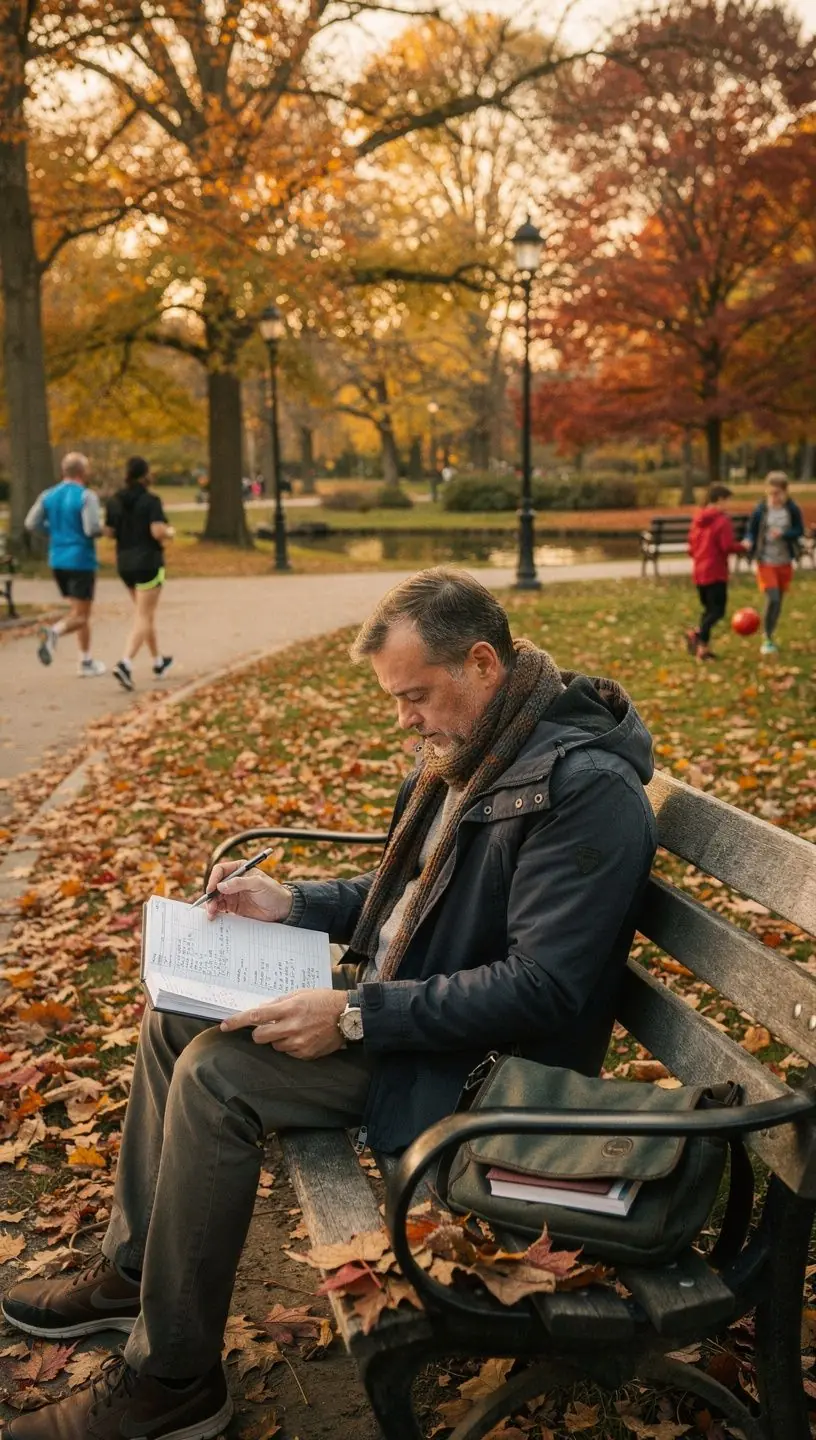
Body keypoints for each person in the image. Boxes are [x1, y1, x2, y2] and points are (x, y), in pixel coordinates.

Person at [1, 568, 658, 1440]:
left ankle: (173, 1379)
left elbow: (544, 989)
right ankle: (132, 1273)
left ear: (485, 662)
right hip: (410, 1008)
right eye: (395, 698)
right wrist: (295, 904)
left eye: (416, 695)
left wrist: (352, 1016)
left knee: (217, 1075)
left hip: (480, 1069)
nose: (404, 719)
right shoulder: (482, 749)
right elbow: (416, 892)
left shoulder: (580, 789)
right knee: (174, 1021)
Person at [24, 452, 106, 677]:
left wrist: (54, 532)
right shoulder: (86, 496)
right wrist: (105, 531)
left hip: (57, 559)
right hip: (80, 559)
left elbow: (31, 523)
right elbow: (91, 529)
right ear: (83, 472)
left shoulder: (48, 495)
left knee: (78, 612)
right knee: (80, 615)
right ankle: (53, 633)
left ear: (64, 472)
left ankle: (86, 661)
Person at [104, 456, 175, 692]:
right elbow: (157, 531)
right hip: (148, 562)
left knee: (144, 614)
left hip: (125, 564)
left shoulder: (115, 501)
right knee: (144, 615)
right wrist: (170, 531)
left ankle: (158, 661)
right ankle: (125, 663)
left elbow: (109, 532)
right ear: (145, 475)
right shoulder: (151, 501)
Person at [685, 483, 746, 661]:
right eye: (728, 501)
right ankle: (698, 638)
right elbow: (726, 546)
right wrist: (744, 546)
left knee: (708, 610)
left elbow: (691, 548)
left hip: (699, 573)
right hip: (716, 572)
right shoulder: (722, 520)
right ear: (719, 500)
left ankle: (701, 645)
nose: (729, 505)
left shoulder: (698, 519)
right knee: (718, 611)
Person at [746, 472, 805, 655]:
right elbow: (751, 531)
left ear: (785, 492)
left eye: (778, 493)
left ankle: (770, 634)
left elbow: (799, 530)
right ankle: (767, 637)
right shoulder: (761, 510)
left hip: (784, 561)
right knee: (773, 598)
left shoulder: (792, 509)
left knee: (778, 603)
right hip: (766, 560)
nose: (774, 497)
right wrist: (749, 540)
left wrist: (784, 534)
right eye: (771, 493)